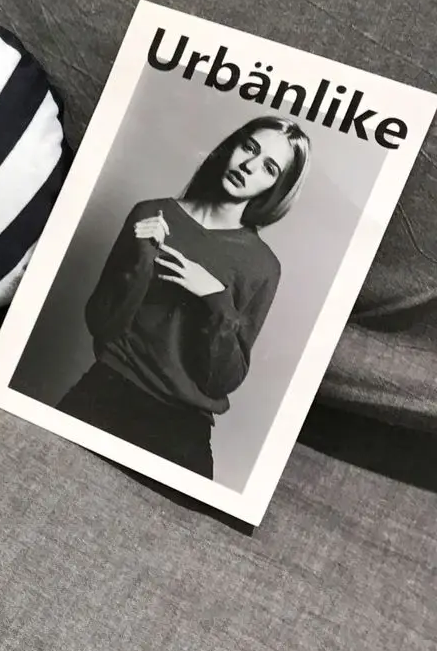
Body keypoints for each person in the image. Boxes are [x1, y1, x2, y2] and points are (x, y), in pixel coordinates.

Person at [58, 118, 310, 479]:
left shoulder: (262, 266)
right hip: (106, 390)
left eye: (269, 168)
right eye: (249, 148)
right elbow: (101, 324)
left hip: (180, 428)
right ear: (231, 147)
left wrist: (216, 298)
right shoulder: (150, 214)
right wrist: (141, 259)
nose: (249, 166)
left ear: (276, 187)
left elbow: (220, 382)